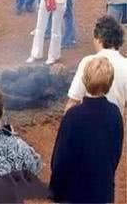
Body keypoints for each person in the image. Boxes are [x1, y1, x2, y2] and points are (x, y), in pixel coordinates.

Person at [50, 57, 123, 203]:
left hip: (74, 192)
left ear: (85, 80)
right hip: (102, 189)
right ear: (109, 82)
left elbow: (61, 158)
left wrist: (55, 190)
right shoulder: (114, 113)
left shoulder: (73, 115)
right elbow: (115, 153)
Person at [67, 16, 127, 114]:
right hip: (112, 123)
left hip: (87, 123)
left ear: (99, 39)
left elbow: (73, 101)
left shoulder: (88, 62)